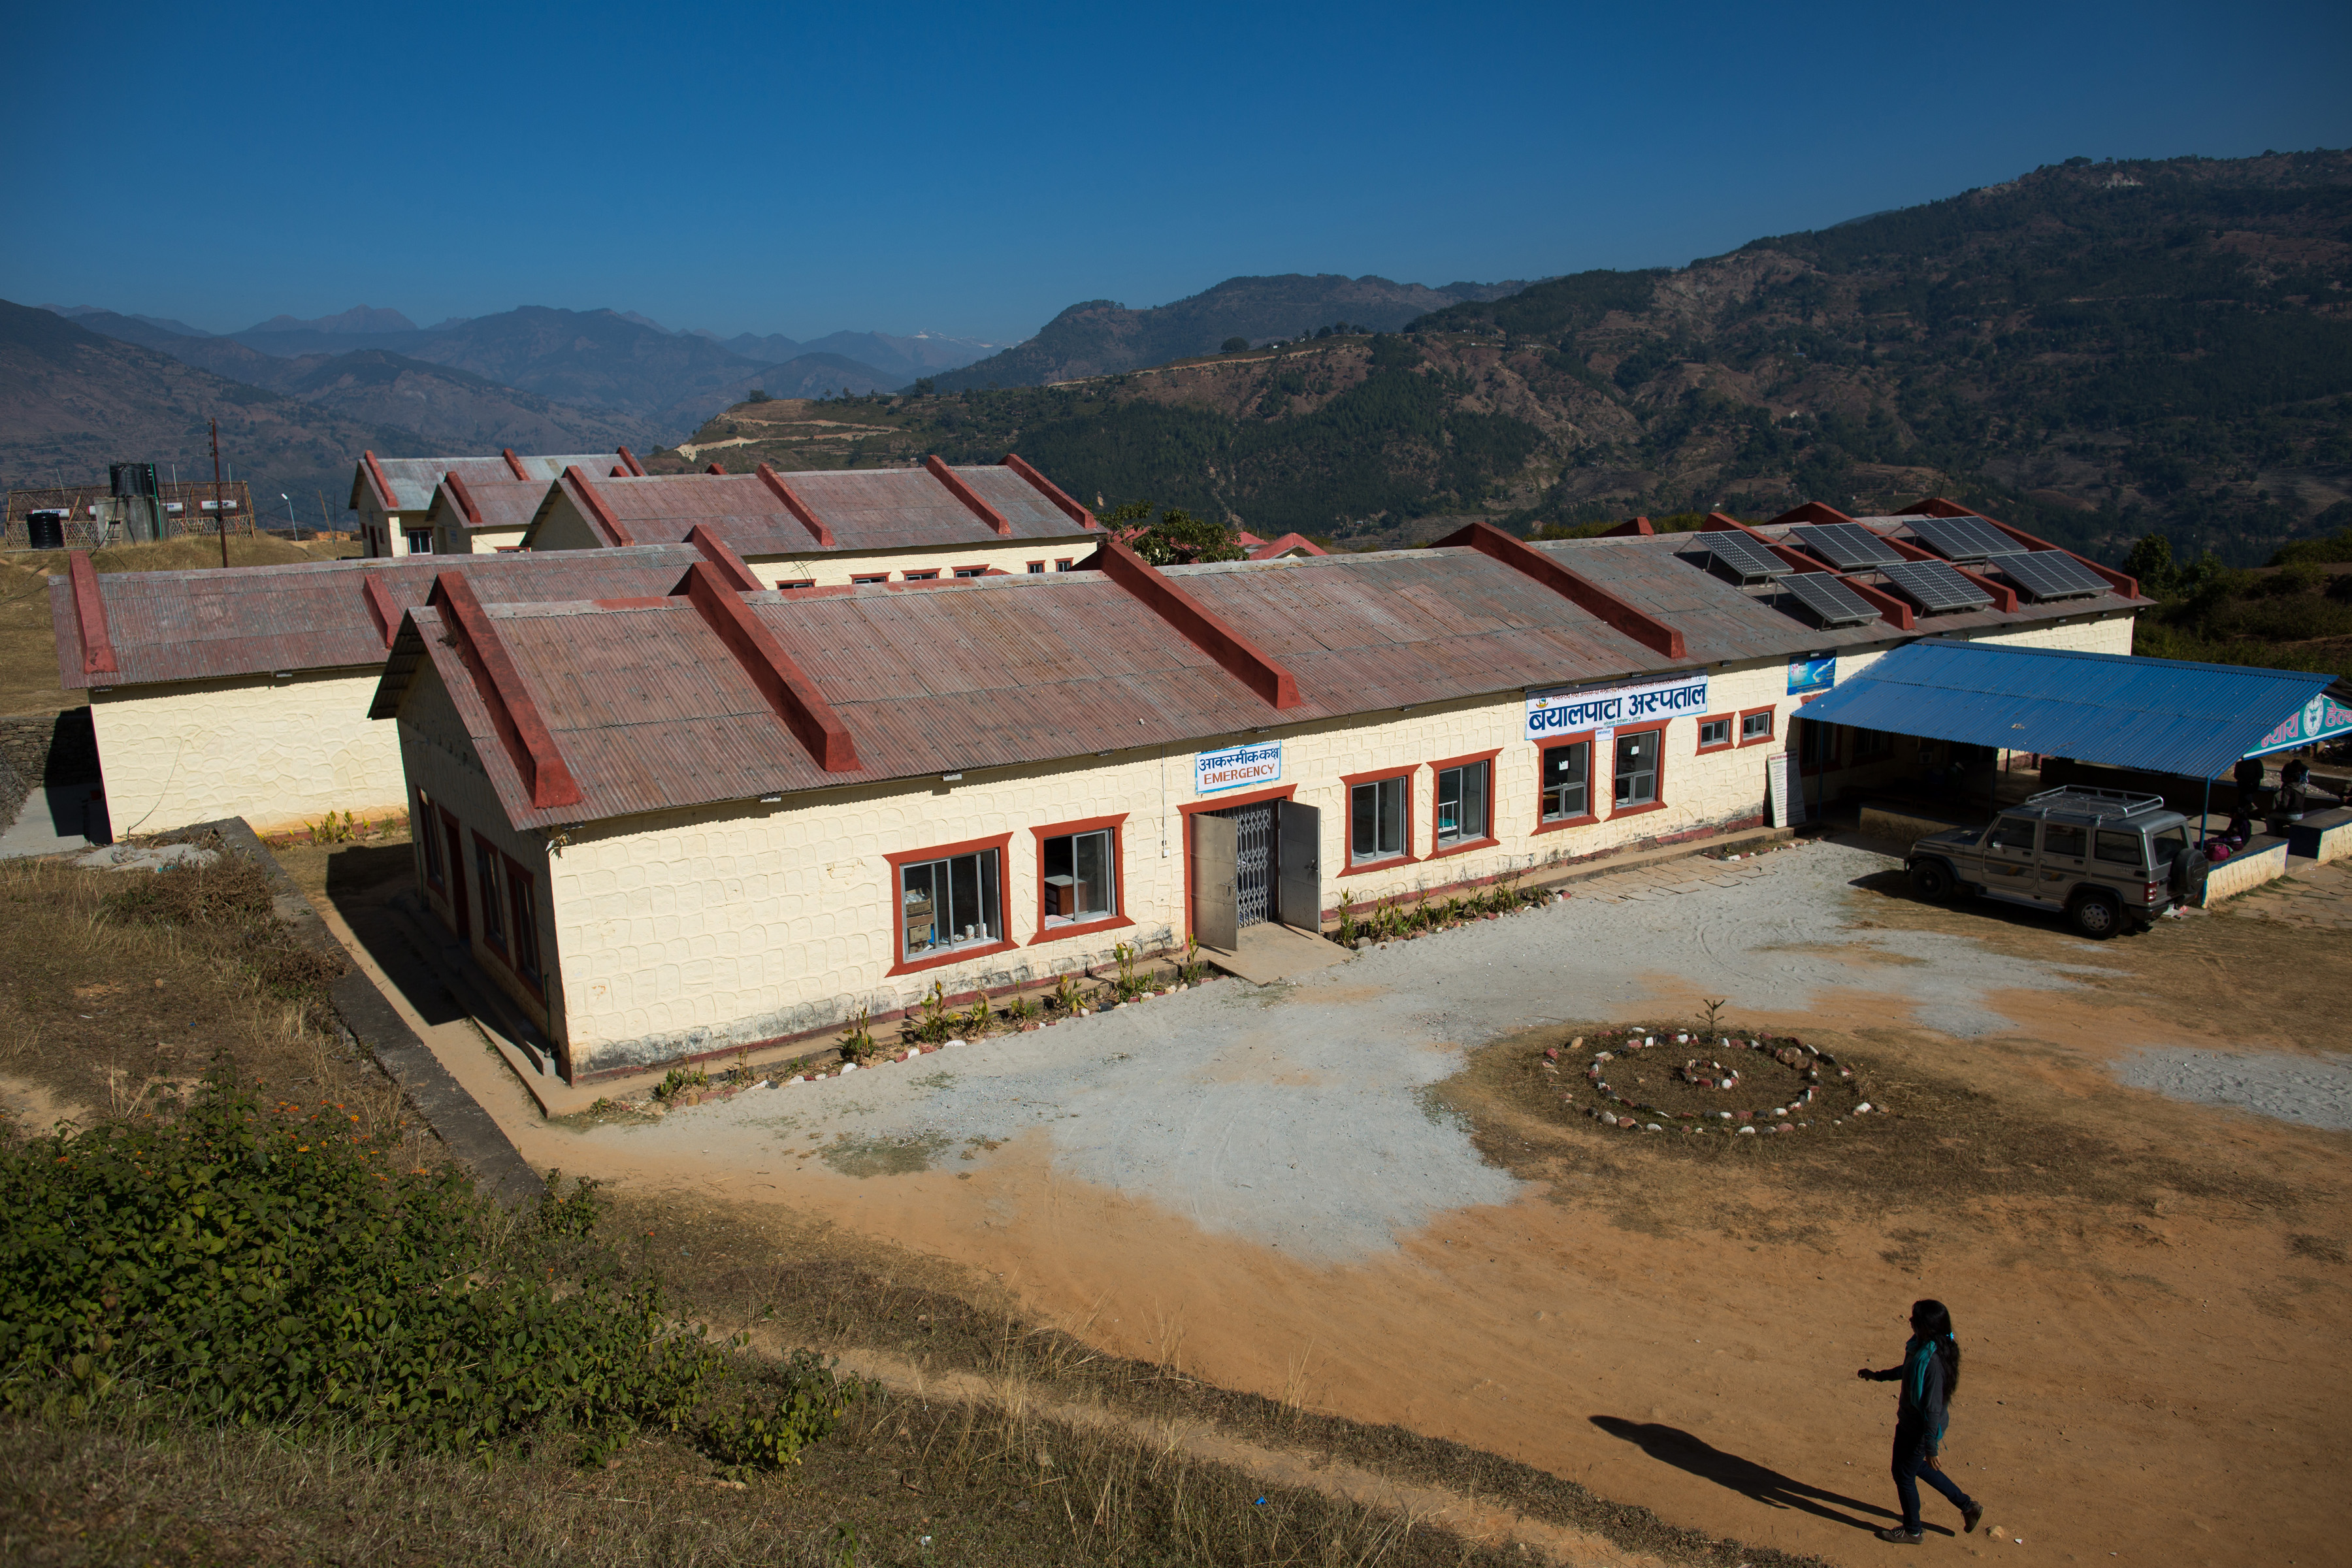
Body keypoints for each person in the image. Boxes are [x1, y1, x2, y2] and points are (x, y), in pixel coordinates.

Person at [1857, 1299, 1983, 1544]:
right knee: (1917, 1467)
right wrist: (1878, 1376)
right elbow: (1907, 1370)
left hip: (1919, 1429)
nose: (1910, 1321)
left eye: (1915, 1319)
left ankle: (1913, 1530)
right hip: (1912, 1424)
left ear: (1928, 1327)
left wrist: (1931, 1447)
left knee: (1903, 1475)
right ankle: (1968, 1506)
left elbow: (1933, 1408)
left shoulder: (1933, 1362)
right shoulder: (1922, 1347)